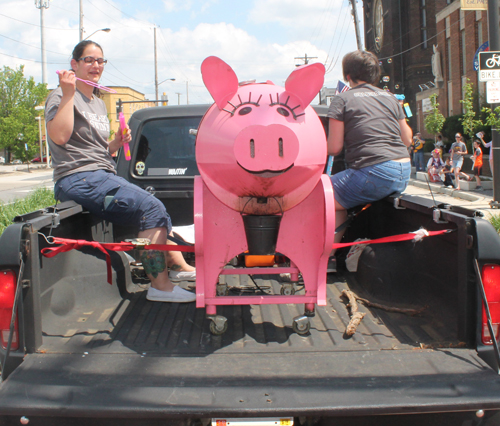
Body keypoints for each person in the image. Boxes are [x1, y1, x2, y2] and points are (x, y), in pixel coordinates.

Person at [45, 40, 196, 303]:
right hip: (78, 177)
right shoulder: (60, 96)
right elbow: (59, 136)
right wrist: (68, 94)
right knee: (151, 208)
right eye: (89, 60)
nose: (96, 65)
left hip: (102, 173)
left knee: (150, 207)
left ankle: (179, 268)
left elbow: (93, 148)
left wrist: (115, 143)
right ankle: (160, 286)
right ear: (74, 64)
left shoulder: (98, 103)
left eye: (100, 60)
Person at [327, 50, 412, 247]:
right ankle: (329, 254)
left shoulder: (342, 99)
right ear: (375, 74)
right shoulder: (390, 98)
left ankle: (318, 257)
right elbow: (407, 139)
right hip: (403, 172)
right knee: (336, 201)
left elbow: (334, 147)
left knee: (318, 194)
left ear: (347, 76)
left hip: (373, 172)